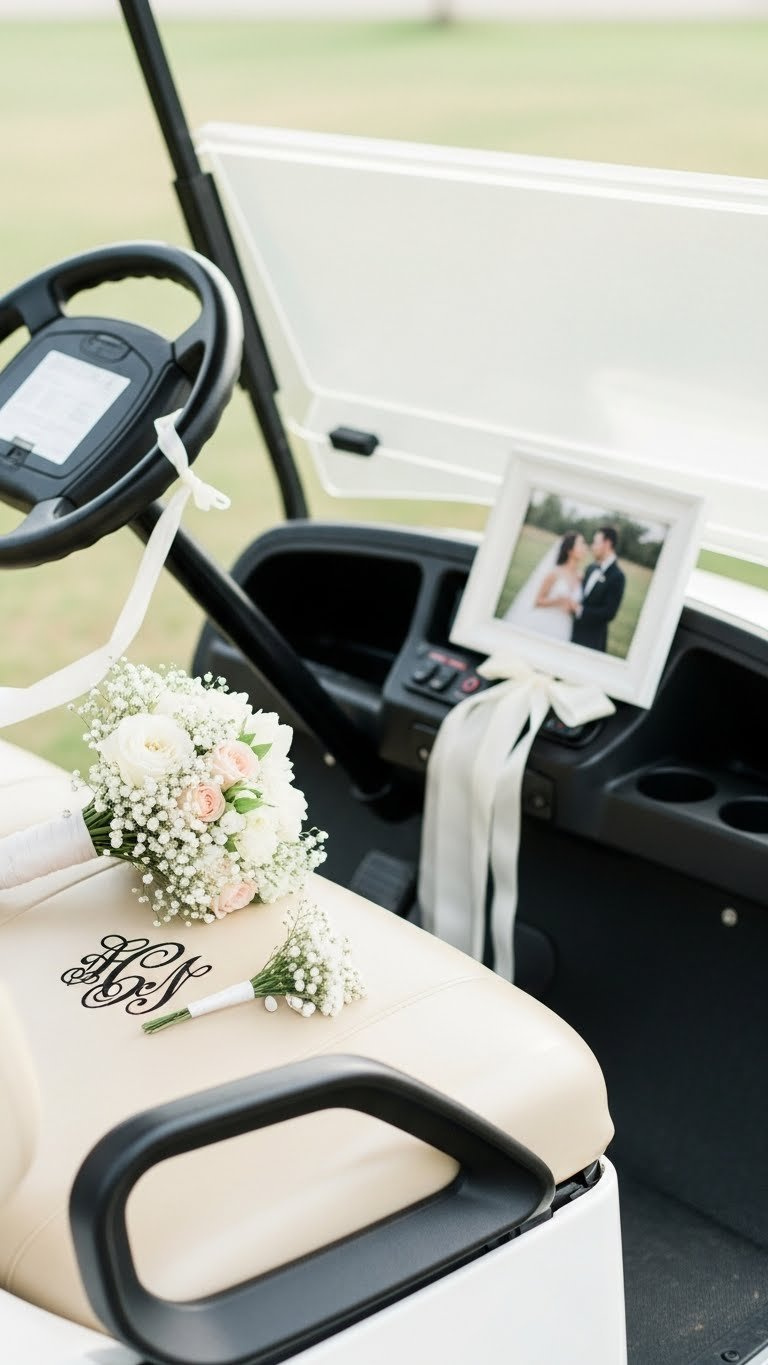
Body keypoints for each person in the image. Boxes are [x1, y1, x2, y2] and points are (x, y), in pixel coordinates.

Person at [504, 530, 587, 641]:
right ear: (570, 550)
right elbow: (537, 601)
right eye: (581, 544)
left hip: (564, 626)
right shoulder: (554, 573)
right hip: (545, 623)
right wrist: (557, 601)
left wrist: (573, 607)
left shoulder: (580, 576)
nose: (585, 548)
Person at [570, 526, 626, 652]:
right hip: (574, 632)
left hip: (592, 640)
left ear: (607, 544)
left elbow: (609, 612)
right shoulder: (590, 568)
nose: (592, 547)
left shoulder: (617, 576)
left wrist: (580, 610)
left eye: (596, 543)